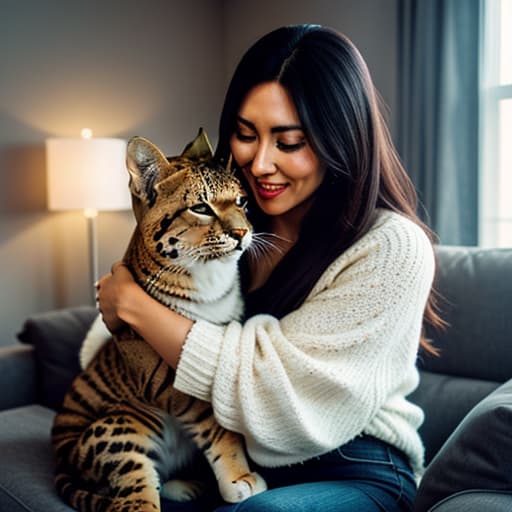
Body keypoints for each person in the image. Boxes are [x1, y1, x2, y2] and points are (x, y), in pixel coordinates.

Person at [96, 24, 443, 512]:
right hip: (229, 455)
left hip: (353, 463)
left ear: (339, 140)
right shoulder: (234, 218)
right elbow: (125, 324)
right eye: (244, 134)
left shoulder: (392, 245)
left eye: (290, 141)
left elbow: (281, 397)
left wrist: (135, 310)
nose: (259, 163)